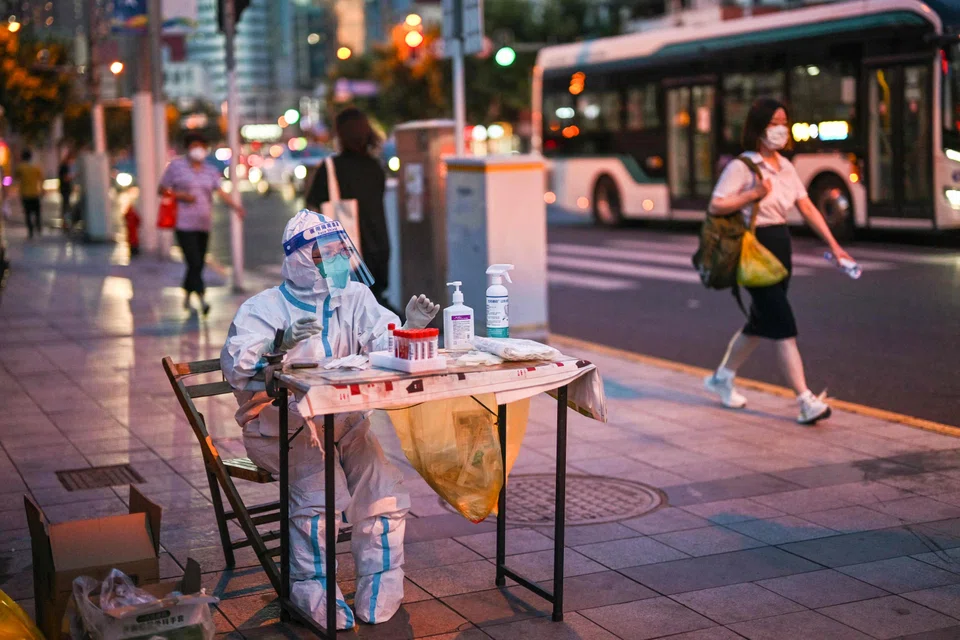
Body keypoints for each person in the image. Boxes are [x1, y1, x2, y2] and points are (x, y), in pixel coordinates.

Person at [221, 209, 440, 630]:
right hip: (281, 427)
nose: (339, 261)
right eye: (328, 254)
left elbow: (383, 342)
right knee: (323, 498)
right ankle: (310, 588)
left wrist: (408, 329)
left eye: (342, 252)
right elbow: (236, 368)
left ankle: (382, 581)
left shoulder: (354, 297)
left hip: (345, 421)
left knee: (384, 490)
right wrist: (278, 345)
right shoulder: (263, 308)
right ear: (302, 259)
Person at [704, 98, 855, 425]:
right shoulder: (742, 166)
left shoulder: (786, 166)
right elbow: (717, 205)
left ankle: (722, 377)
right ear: (760, 128)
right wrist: (752, 195)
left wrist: (834, 245)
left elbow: (807, 207)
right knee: (784, 326)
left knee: (760, 323)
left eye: (785, 122)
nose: (782, 129)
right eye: (775, 122)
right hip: (754, 250)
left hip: (780, 247)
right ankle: (805, 400)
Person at [305, 108, 392, 310]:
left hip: (342, 258)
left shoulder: (329, 168)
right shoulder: (376, 168)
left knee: (343, 315)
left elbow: (310, 211)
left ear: (340, 134)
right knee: (373, 313)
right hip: (378, 252)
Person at [159, 132, 244, 315]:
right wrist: (181, 195)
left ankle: (188, 295)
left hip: (203, 224)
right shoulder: (176, 167)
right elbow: (162, 190)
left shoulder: (210, 170)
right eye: (195, 146)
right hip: (183, 224)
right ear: (188, 148)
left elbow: (220, 192)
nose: (199, 150)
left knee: (196, 264)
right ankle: (202, 298)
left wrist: (236, 207)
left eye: (202, 146)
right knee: (195, 261)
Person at [14, 150, 44, 239]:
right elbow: (41, 179)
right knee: (37, 212)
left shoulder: (20, 168)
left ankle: (30, 231)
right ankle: (38, 226)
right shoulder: (36, 167)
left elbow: (16, 178)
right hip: (35, 193)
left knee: (27, 213)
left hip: (25, 194)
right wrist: (42, 189)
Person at [58, 149, 75, 230]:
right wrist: (74, 176)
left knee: (66, 206)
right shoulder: (64, 167)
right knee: (66, 206)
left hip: (64, 188)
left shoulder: (64, 166)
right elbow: (65, 178)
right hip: (65, 189)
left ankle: (65, 223)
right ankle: (65, 223)